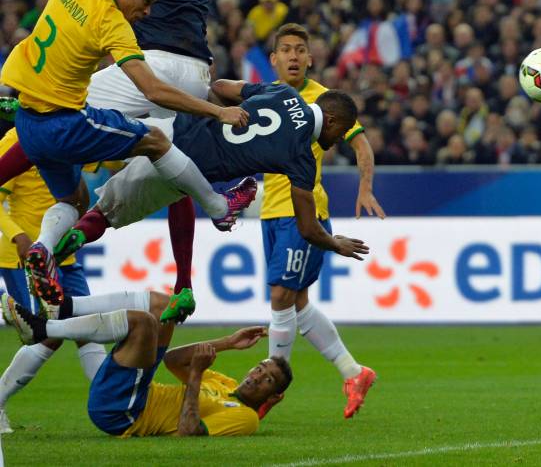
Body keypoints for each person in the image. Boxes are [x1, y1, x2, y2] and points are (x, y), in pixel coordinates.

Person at [0, 0, 225, 323]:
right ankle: (183, 282)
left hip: (141, 66)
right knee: (169, 165)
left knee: (47, 119)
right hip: (195, 72)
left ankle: (60, 237)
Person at [210, 23, 384, 419]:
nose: (292, 56)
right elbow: (220, 87)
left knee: (279, 297)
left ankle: (269, 388)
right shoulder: (268, 94)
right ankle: (354, 372)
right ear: (273, 60)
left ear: (310, 58)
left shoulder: (325, 100)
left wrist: (365, 187)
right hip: (272, 209)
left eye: (299, 50)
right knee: (297, 303)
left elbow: (361, 143)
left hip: (303, 210)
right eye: (285, 50)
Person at [53, 84, 370, 294]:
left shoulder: (282, 91)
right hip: (181, 168)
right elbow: (308, 228)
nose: (340, 139)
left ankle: (32, 124)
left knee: (78, 138)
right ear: (330, 121)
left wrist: (222, 118)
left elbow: (218, 87)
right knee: (105, 214)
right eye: (342, 131)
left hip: (173, 126)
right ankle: (59, 248)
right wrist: (334, 243)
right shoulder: (302, 157)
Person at [0, 290, 292, 437]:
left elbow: (188, 431)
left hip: (126, 412)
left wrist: (196, 375)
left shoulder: (246, 418)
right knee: (165, 306)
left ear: (274, 396)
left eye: (266, 379)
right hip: (136, 390)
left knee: (143, 324)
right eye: (259, 367)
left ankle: (43, 328)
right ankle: (62, 310)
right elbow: (172, 359)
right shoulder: (226, 385)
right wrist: (228, 342)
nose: (256, 376)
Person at [0, 127, 109, 433]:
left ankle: (115, 406)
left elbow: (98, 163)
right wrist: (18, 236)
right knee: (50, 332)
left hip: (64, 254)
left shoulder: (68, 130)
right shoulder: (15, 139)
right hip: (25, 256)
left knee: (90, 327)